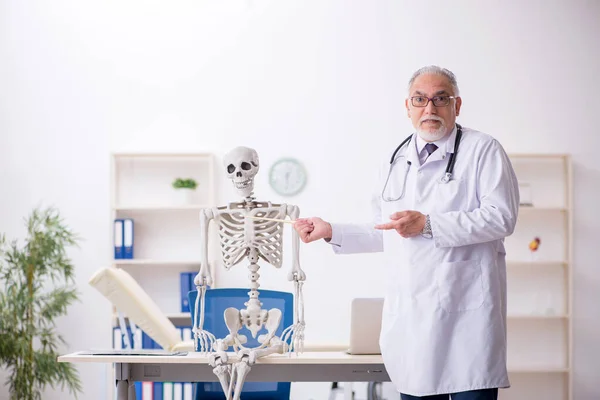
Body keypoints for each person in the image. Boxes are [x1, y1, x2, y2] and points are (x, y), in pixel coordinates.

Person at [293, 66, 520, 400]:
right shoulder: (394, 159)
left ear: (456, 106)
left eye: (440, 99)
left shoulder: (483, 150)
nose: (430, 108)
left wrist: (428, 224)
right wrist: (331, 231)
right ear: (408, 107)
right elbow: (387, 229)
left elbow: (502, 217)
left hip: (467, 321)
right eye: (420, 99)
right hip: (414, 323)